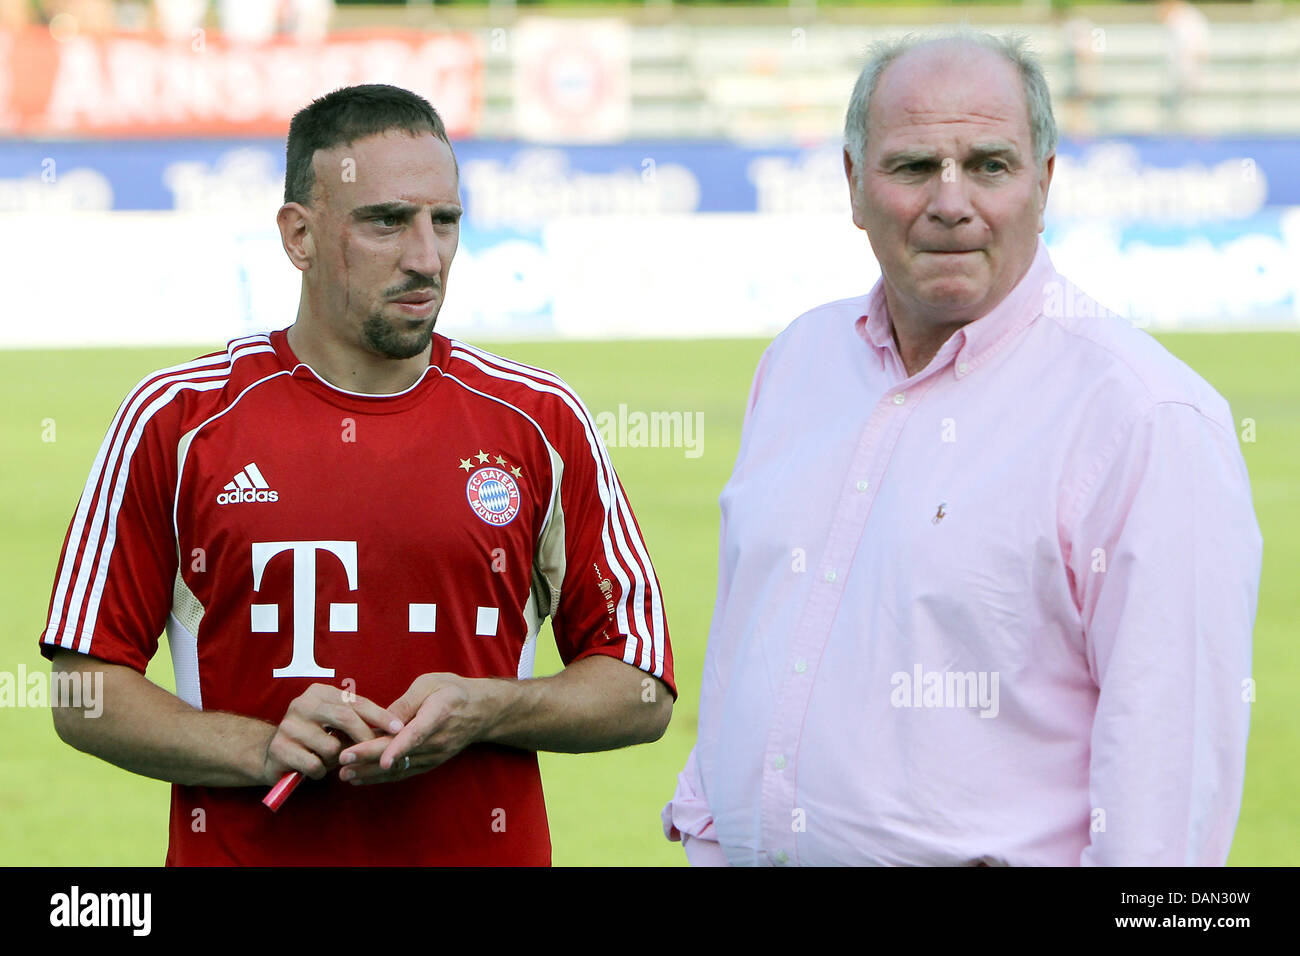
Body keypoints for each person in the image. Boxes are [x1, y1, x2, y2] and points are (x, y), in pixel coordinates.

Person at [662, 29, 1260, 866]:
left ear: (1043, 184)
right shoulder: (799, 361)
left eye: (989, 164)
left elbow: (1167, 800)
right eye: (912, 167)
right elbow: (747, 638)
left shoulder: (1145, 418)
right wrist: (709, 830)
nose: (952, 201)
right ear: (853, 183)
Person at [42, 83, 674, 866]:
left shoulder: (540, 421)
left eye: (445, 221)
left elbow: (642, 688)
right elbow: (80, 691)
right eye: (386, 221)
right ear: (299, 235)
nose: (425, 257)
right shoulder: (176, 421)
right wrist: (261, 747)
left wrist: (491, 708)